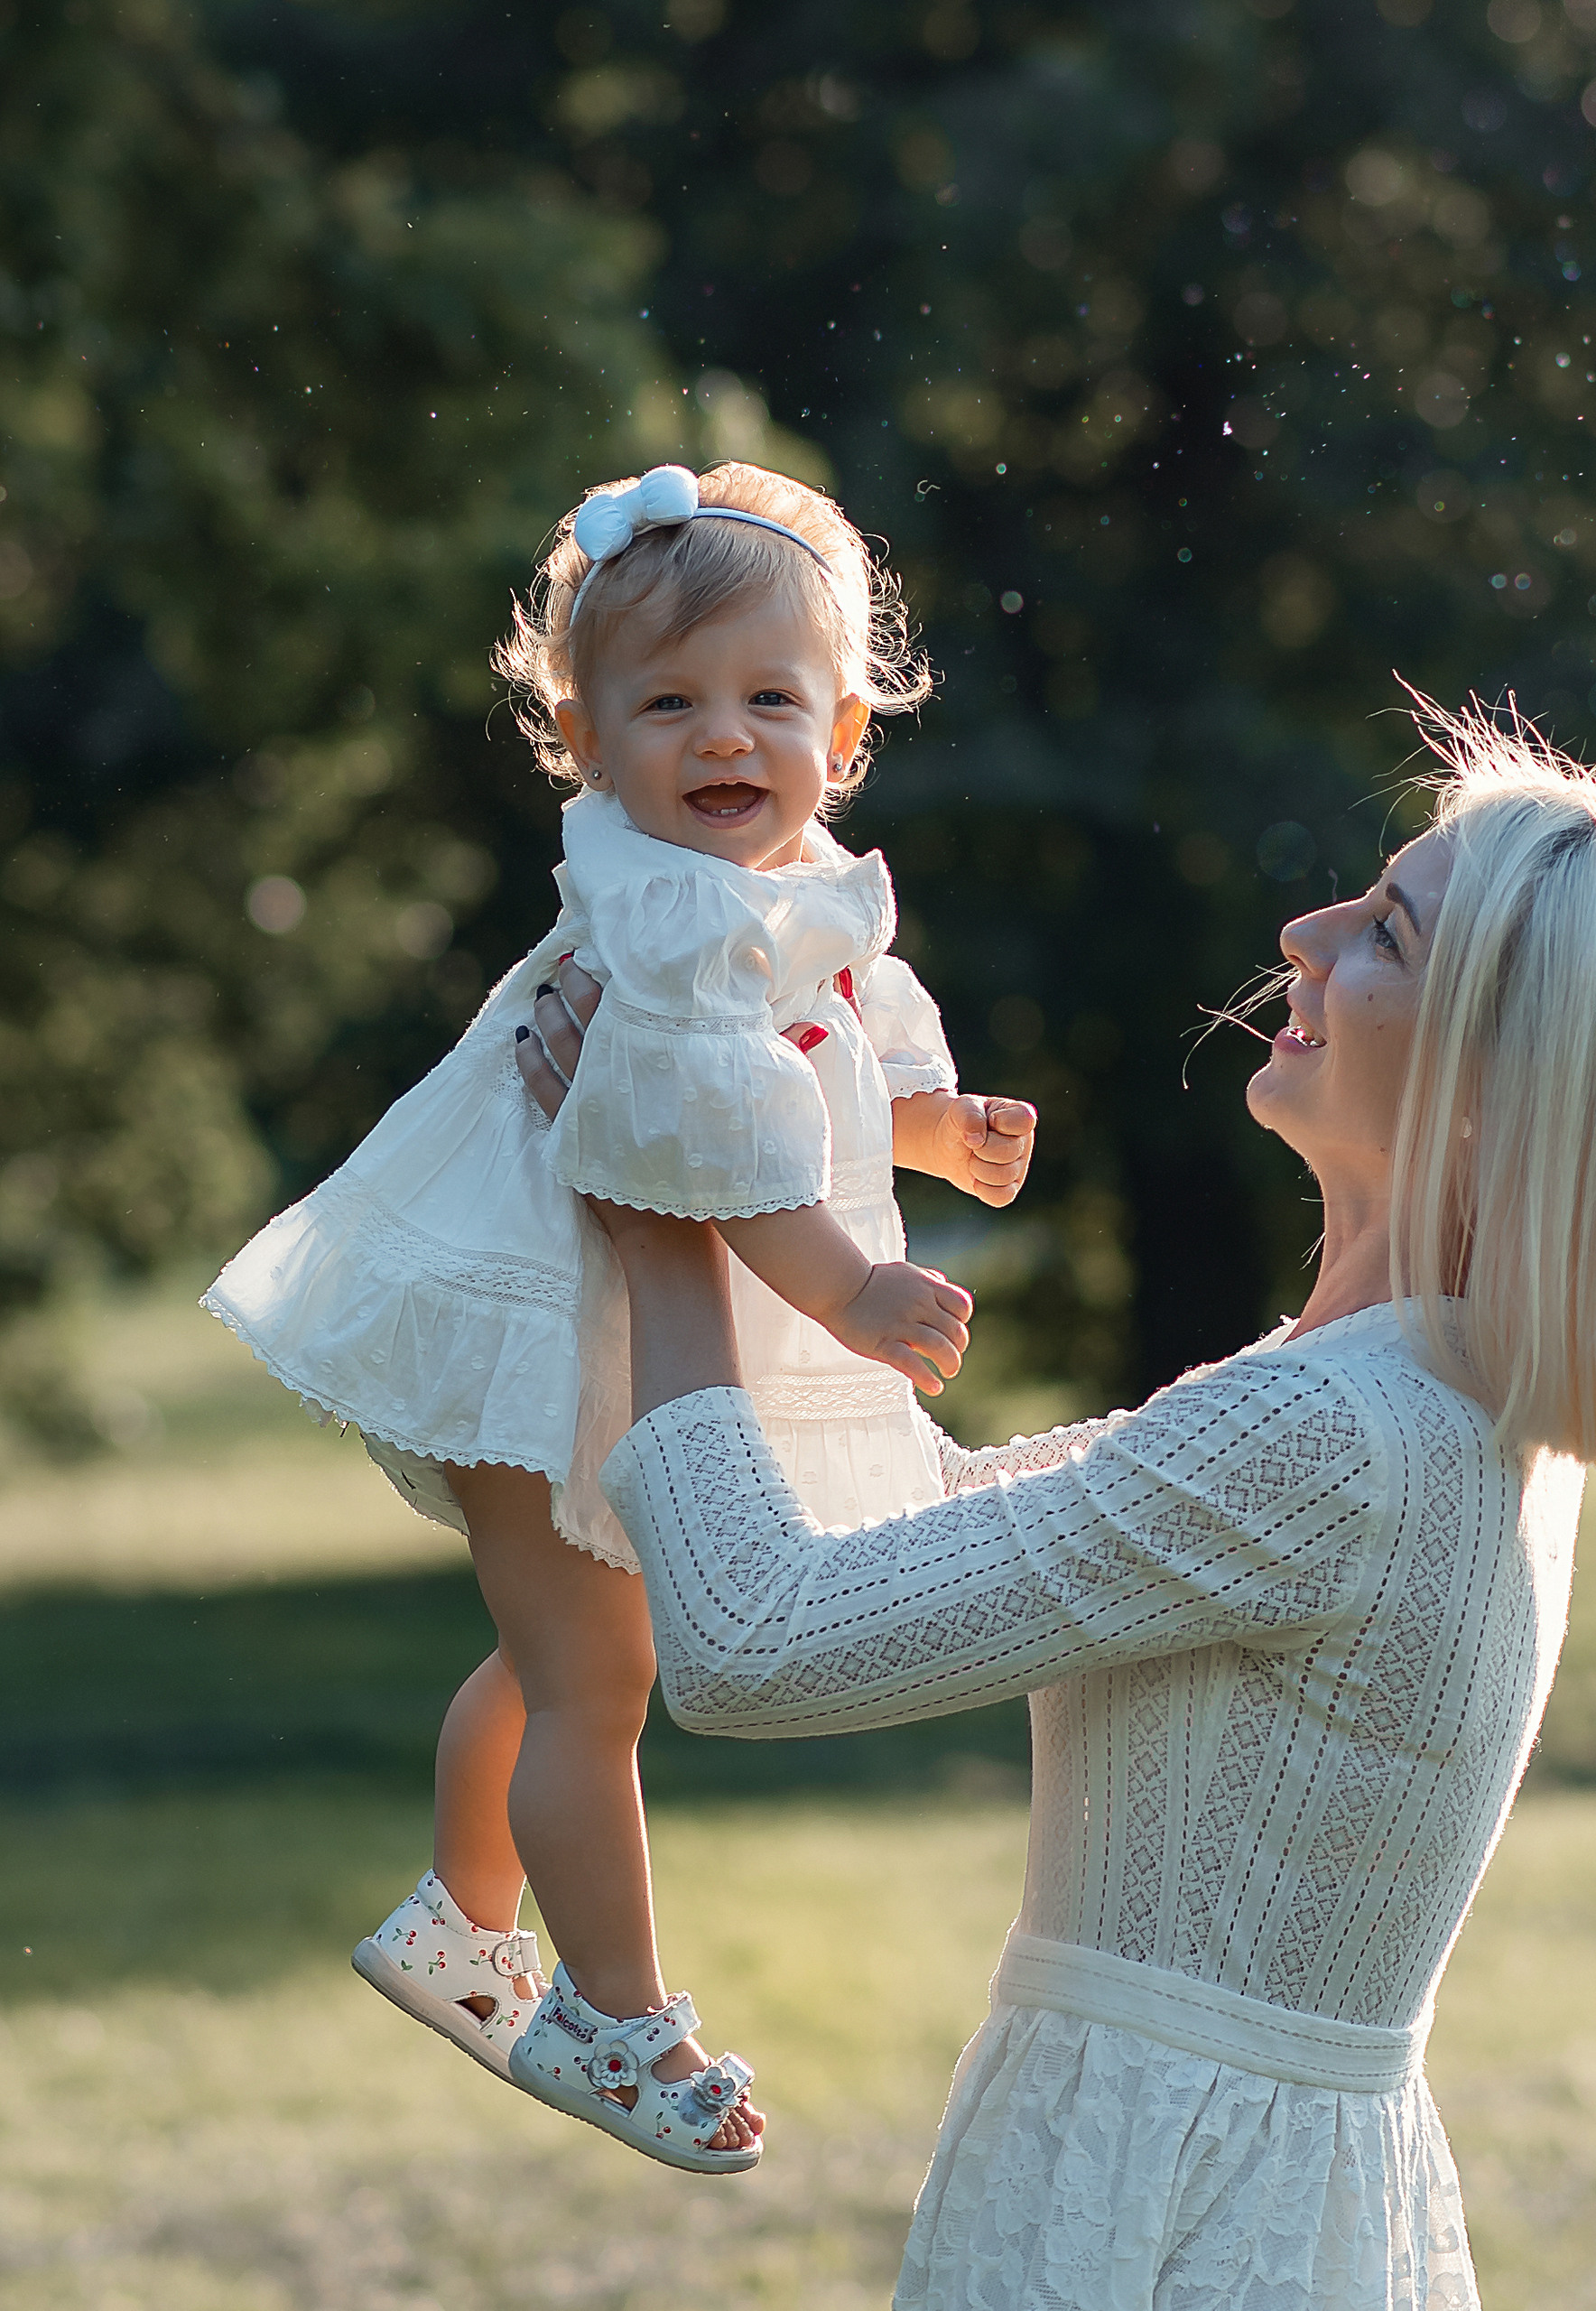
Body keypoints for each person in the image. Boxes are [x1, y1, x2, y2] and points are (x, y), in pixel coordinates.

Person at [516, 706, 1596, 2307]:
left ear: (1495, 1076)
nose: (1306, 933)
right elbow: (902, 1534)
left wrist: (673, 1214)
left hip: (1165, 2208)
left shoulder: (1335, 1431)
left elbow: (762, 1644)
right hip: (1228, 2190)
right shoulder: (1405, 1393)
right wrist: (766, 1190)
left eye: (1385, 930)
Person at [203, 459, 1035, 2173]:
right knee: (596, 1680)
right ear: (584, 737)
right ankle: (612, 2010)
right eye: (668, 704)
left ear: (847, 731)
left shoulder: (777, 892)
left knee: (560, 1650)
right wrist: (853, 1287)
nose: (723, 739)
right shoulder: (661, 920)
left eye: (767, 701)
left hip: (574, 1312)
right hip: (532, 1311)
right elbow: (706, 1146)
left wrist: (927, 1125)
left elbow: (806, 1073)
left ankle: (458, 1916)